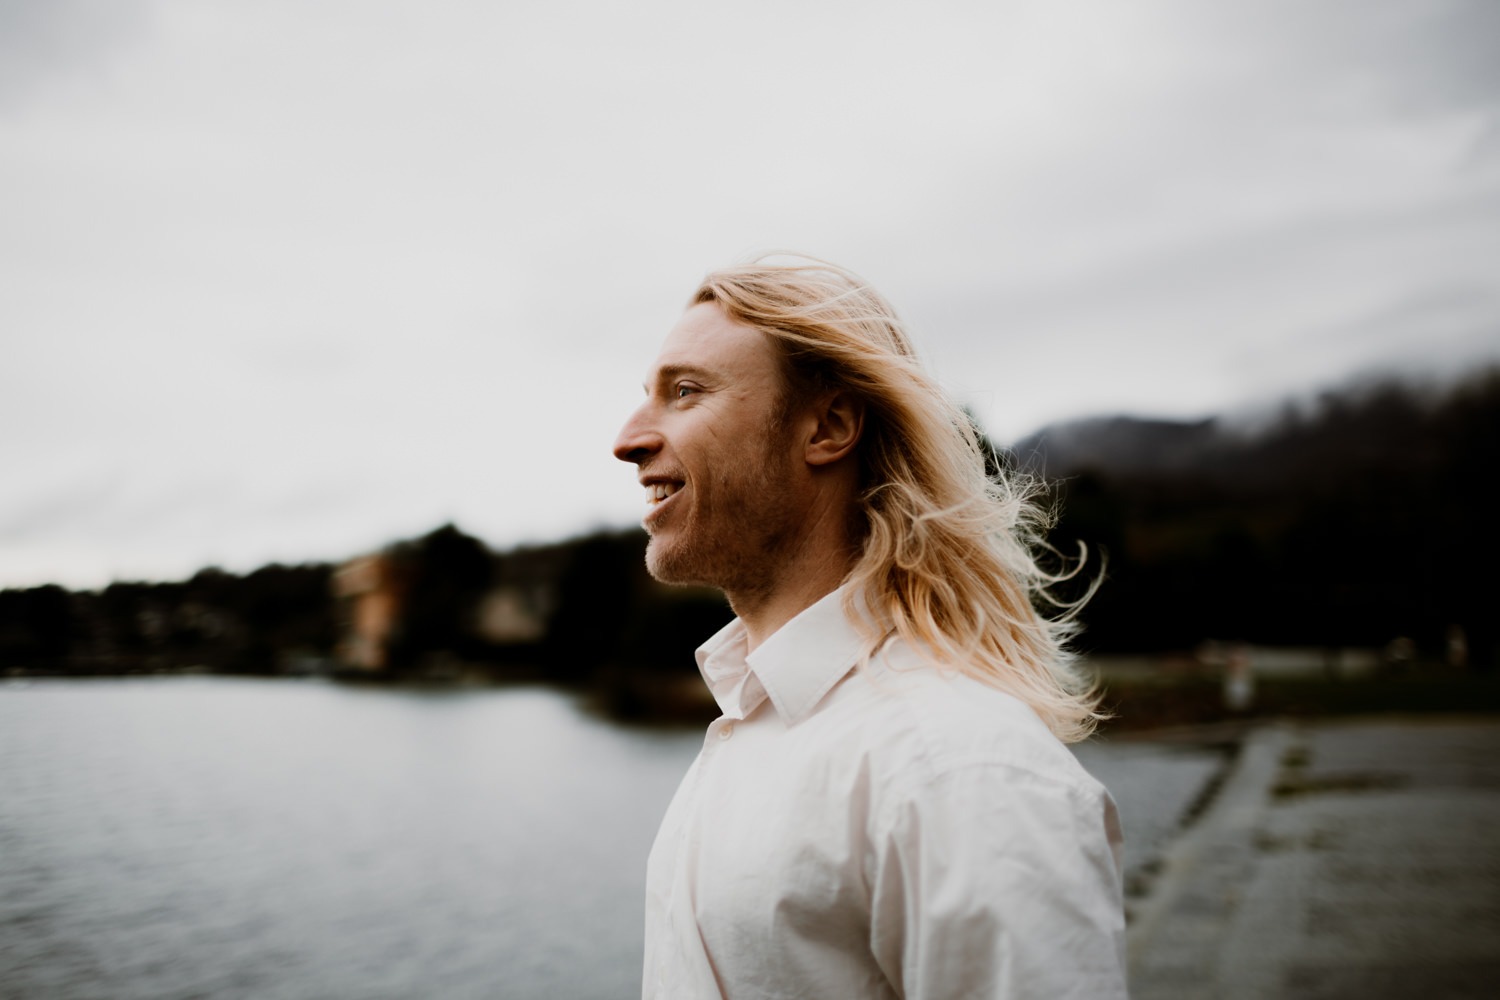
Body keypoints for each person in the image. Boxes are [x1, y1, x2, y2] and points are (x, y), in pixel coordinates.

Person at [612, 255, 1127, 999]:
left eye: (685, 392)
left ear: (829, 426)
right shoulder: (749, 726)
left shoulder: (961, 773)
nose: (628, 440)